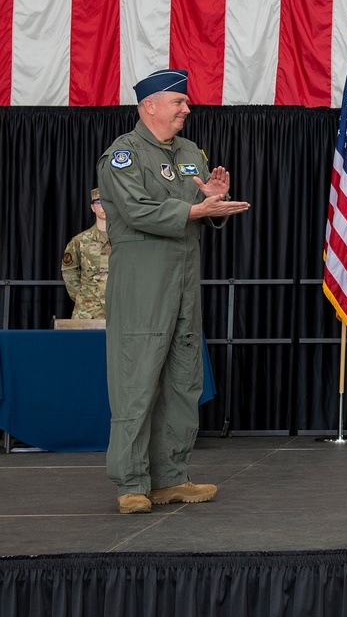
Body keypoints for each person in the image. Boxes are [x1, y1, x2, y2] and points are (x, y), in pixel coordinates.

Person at [97, 69, 250, 515]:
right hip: (143, 277)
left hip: (185, 276)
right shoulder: (122, 155)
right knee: (137, 380)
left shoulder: (190, 153)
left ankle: (170, 477)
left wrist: (215, 201)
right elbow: (136, 209)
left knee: (183, 379)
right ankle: (131, 481)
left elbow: (201, 211)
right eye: (179, 102)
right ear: (150, 106)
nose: (187, 109)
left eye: (185, 102)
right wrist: (194, 207)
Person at [61, 188, 110, 319]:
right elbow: (69, 272)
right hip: (87, 312)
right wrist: (83, 297)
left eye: (107, 201)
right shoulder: (79, 240)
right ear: (92, 207)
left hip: (119, 308)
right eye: (99, 202)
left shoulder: (123, 240)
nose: (103, 206)